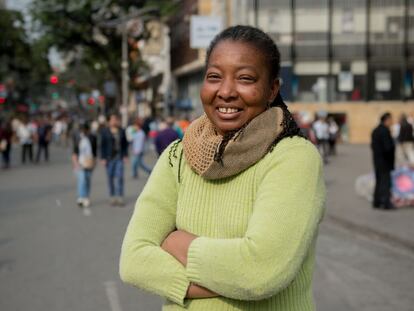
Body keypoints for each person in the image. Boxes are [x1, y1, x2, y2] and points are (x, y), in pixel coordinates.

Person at [120, 25, 326, 311]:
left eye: (245, 78)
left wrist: (179, 245)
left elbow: (261, 272)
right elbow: (133, 260)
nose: (226, 91)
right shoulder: (178, 156)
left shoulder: (292, 157)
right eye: (214, 77)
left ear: (272, 89)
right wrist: (225, 278)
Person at [100, 113, 128, 206]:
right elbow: (102, 146)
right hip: (109, 158)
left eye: (115, 120)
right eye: (112, 120)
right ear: (109, 121)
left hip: (119, 157)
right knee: (110, 177)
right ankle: (112, 196)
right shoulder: (105, 131)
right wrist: (103, 158)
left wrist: (125, 155)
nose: (114, 121)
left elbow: (125, 144)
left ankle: (120, 197)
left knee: (119, 177)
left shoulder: (122, 131)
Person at [371, 112, 395, 210]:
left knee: (379, 181)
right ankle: (386, 203)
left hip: (377, 160)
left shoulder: (375, 130)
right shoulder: (384, 131)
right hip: (385, 161)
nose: (392, 122)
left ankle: (376, 201)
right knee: (385, 182)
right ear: (387, 120)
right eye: (391, 120)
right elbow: (387, 148)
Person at [72, 122, 97, 208]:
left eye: (84, 130)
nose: (83, 131)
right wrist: (75, 163)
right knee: (81, 180)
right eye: (81, 130)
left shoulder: (92, 138)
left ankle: (86, 197)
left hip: (89, 162)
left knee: (87, 180)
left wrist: (94, 162)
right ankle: (81, 197)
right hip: (80, 162)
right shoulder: (78, 138)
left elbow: (95, 151)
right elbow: (74, 151)